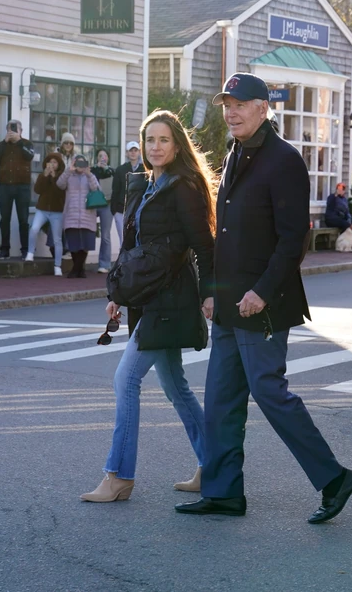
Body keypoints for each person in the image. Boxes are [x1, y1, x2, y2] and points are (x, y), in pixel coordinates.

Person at [175, 73, 352, 523]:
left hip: (263, 303)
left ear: (263, 108)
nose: (231, 112)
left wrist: (261, 290)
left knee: (269, 393)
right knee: (220, 400)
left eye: (240, 104)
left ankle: (334, 479)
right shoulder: (235, 152)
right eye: (226, 105)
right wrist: (212, 292)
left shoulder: (284, 160)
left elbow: (293, 238)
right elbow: (227, 234)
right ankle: (223, 492)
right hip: (228, 304)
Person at [80, 110, 215, 503]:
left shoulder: (185, 186)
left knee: (126, 380)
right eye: (150, 140)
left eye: (164, 140)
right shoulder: (145, 183)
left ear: (177, 145)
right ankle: (215, 466)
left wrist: (210, 293)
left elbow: (204, 247)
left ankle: (119, 476)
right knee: (175, 385)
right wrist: (116, 295)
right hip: (147, 297)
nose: (155, 148)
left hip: (171, 300)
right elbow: (131, 249)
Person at [0, 119, 35, 259]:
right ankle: (5, 249)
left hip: (22, 187)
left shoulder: (27, 143)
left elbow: (29, 155)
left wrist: (19, 141)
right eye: (10, 129)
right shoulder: (2, 144)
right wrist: (5, 142)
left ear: (21, 131)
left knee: (23, 219)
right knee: (5, 219)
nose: (12, 132)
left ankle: (25, 250)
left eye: (15, 129)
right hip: (5, 186)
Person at [56, 154, 100, 278]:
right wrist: (67, 171)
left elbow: (96, 190)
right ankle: (79, 270)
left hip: (87, 214)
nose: (80, 166)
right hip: (72, 214)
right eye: (78, 163)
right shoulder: (69, 176)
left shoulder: (90, 176)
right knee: (74, 244)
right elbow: (59, 184)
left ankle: (77, 269)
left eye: (82, 163)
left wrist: (89, 174)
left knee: (85, 244)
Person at [25, 152, 66, 276]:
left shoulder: (62, 177)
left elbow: (60, 192)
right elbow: (37, 189)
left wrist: (53, 177)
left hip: (57, 212)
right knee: (34, 229)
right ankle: (30, 253)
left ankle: (57, 266)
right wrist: (44, 176)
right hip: (42, 210)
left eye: (55, 162)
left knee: (57, 239)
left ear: (58, 165)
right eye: (50, 162)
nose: (52, 165)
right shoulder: (43, 175)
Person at [112, 140, 143, 249]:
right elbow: (115, 190)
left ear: (139, 152)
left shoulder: (145, 169)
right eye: (131, 151)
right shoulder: (121, 170)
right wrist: (114, 210)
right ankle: (123, 265)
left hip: (139, 210)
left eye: (135, 150)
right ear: (127, 153)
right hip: (121, 210)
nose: (133, 153)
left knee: (138, 239)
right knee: (123, 241)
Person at [92, 148, 116, 273]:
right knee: (87, 230)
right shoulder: (92, 170)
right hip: (94, 204)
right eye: (100, 155)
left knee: (105, 235)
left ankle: (104, 264)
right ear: (96, 158)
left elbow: (114, 181)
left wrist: (106, 169)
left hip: (107, 205)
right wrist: (97, 168)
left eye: (105, 156)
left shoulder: (112, 171)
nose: (102, 158)